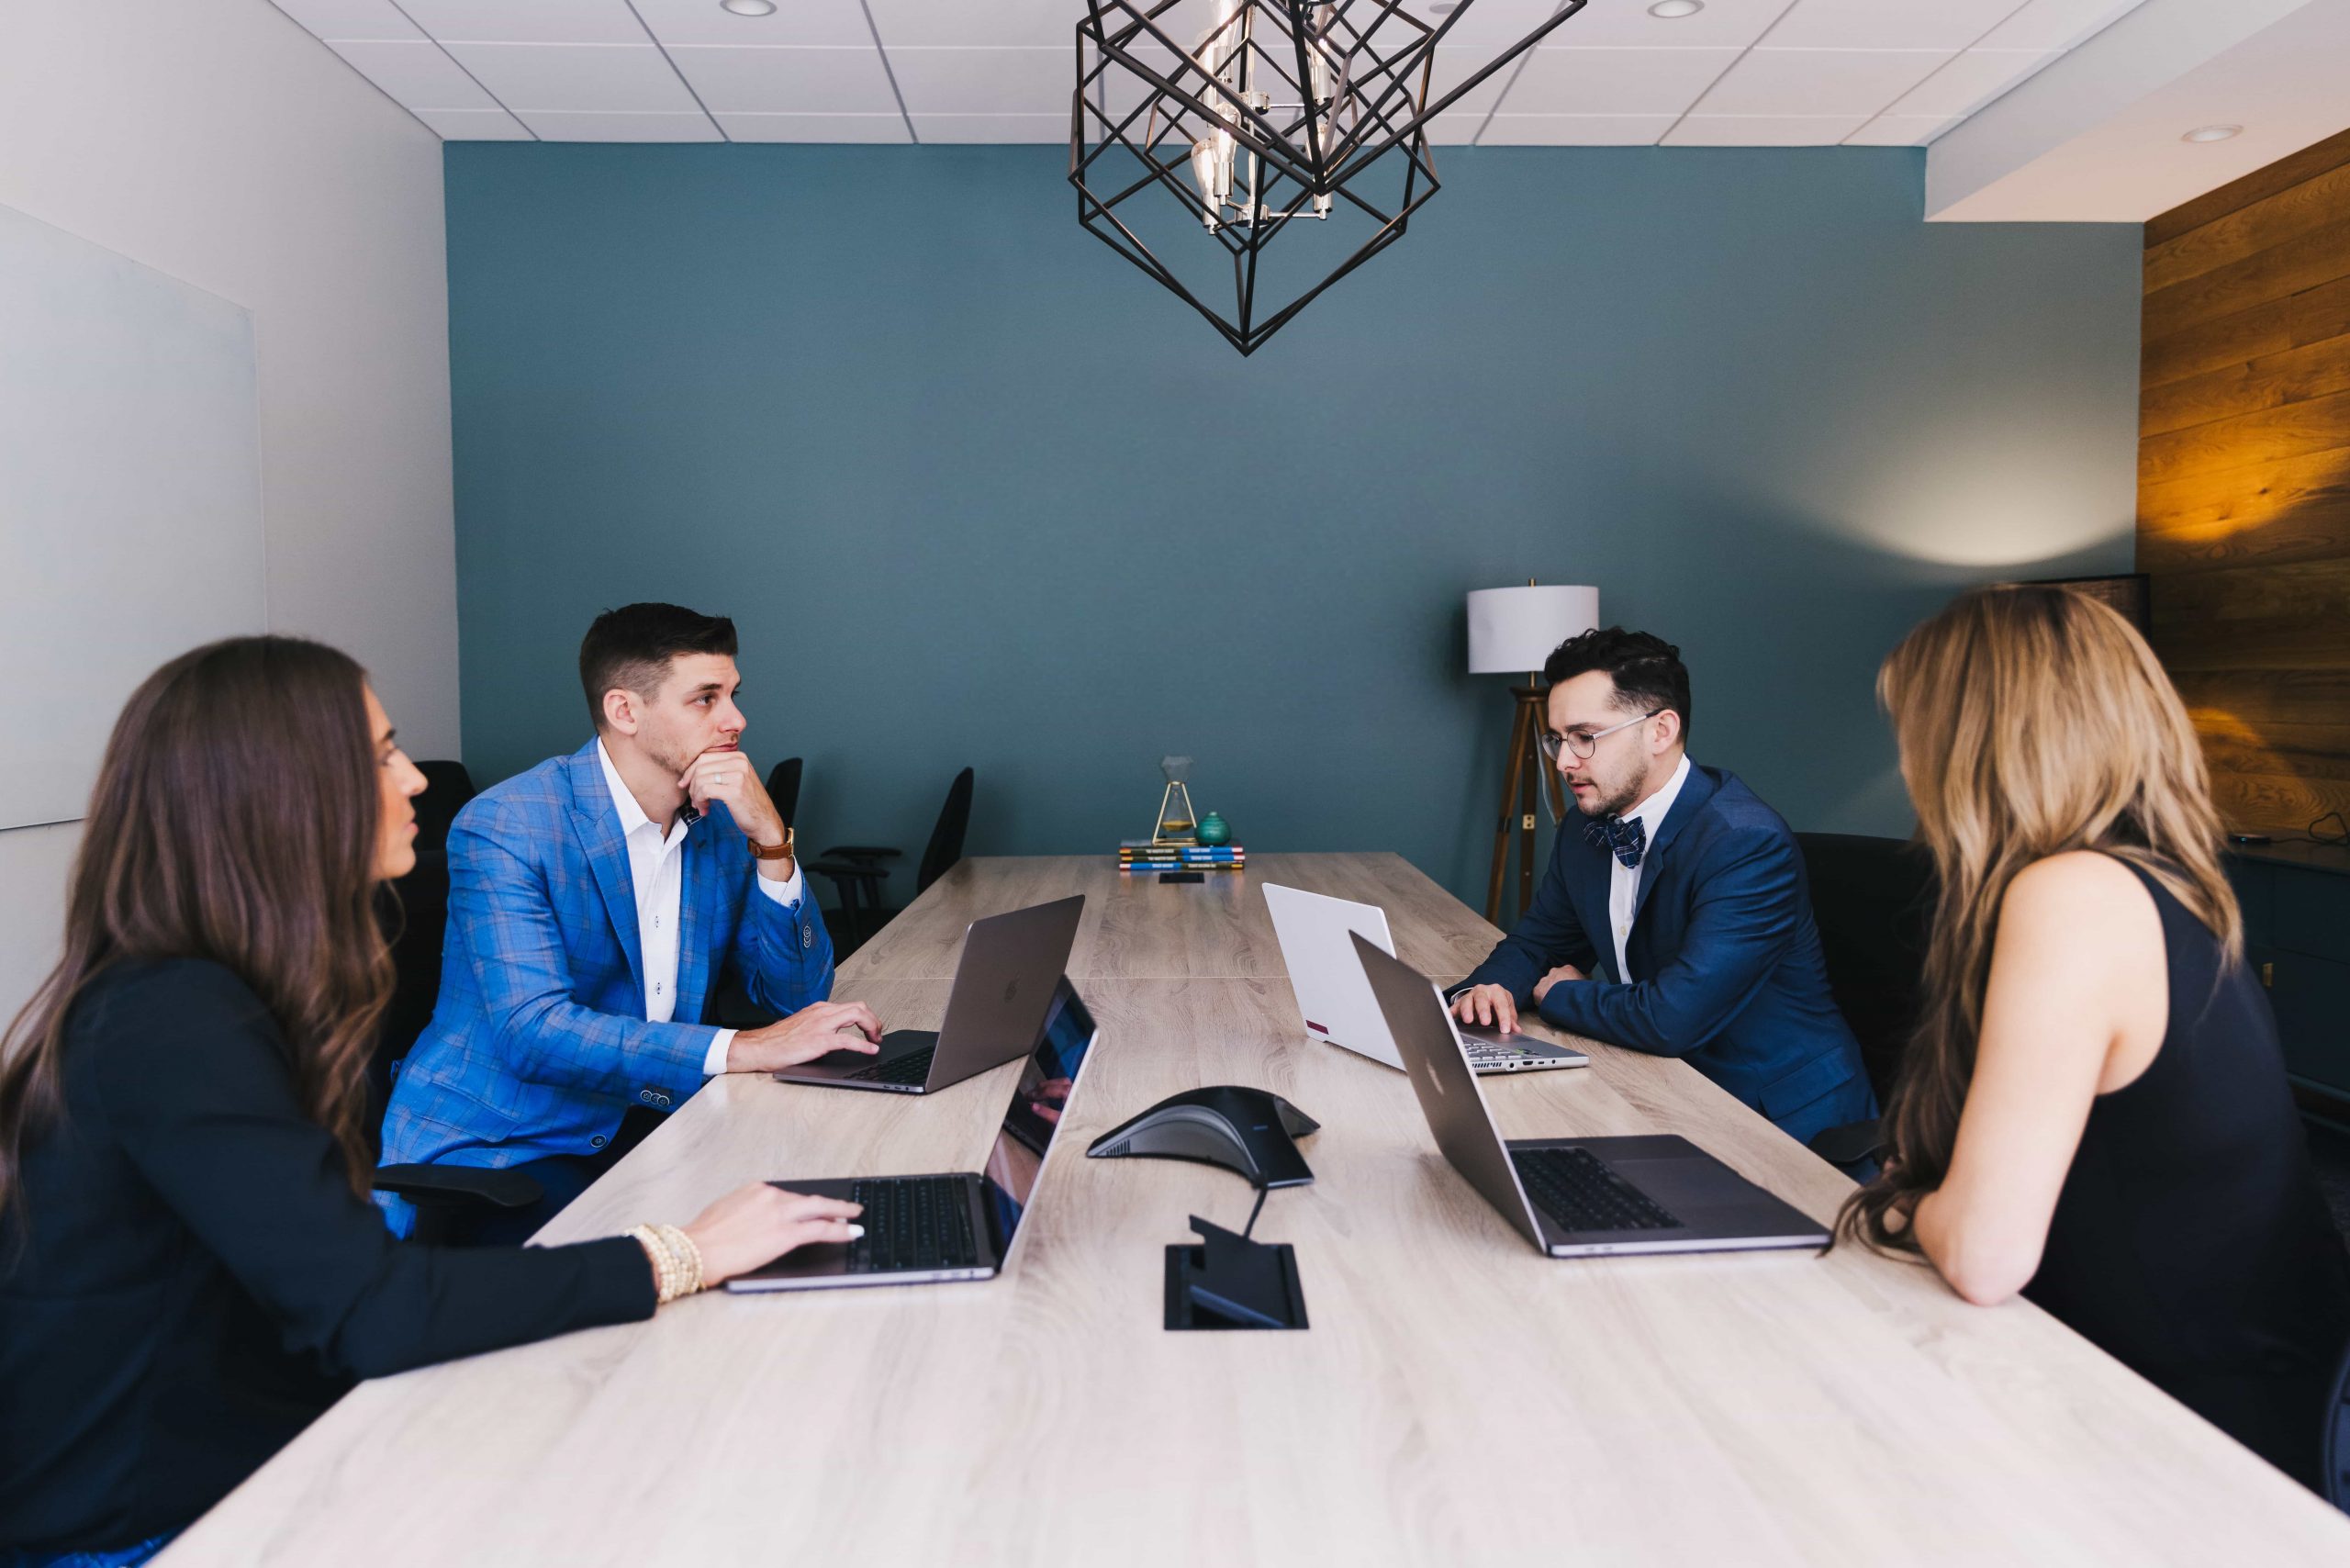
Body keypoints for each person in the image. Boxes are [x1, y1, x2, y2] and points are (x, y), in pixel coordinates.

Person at [0, 637, 863, 1568]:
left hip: (244, 1453)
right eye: (379, 755)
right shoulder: (172, 1021)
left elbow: (324, 1303)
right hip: (151, 1528)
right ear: (279, 794)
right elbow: (372, 1307)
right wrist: (687, 1253)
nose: (414, 778)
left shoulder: (219, 995)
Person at [1839, 585, 2350, 1492]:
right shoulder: (2159, 881)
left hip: (2194, 1446)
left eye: (1917, 729)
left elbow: (1987, 1253)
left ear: (1977, 738)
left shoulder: (2071, 894)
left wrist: (1902, 1207)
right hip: (2209, 1381)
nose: (1910, 762)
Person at [378, 603, 880, 1238]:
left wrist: (770, 840)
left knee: (825, 1207)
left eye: (732, 694)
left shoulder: (721, 822)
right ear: (624, 711)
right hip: (509, 1144)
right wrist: (745, 1048)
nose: (736, 719)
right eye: (705, 698)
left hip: (652, 1115)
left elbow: (795, 997)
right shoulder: (510, 824)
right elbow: (534, 1033)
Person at [1450, 627, 1874, 1149]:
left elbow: (1673, 1018)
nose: (1563, 761)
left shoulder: (1746, 843)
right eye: (1557, 739)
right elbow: (1539, 942)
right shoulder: (1585, 828)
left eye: (1585, 737)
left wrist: (1559, 993)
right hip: (1657, 1085)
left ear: (1660, 730)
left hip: (1775, 1119)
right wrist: (1486, 992)